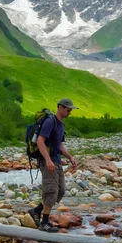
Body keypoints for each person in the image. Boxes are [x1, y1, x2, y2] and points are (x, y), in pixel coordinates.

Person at [28, 98, 78, 232]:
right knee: (51, 190)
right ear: (60, 107)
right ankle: (45, 222)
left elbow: (60, 144)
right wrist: (48, 160)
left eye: (70, 110)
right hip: (48, 161)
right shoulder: (50, 121)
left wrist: (70, 157)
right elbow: (40, 141)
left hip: (56, 160)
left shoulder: (61, 124)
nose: (70, 113)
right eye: (68, 110)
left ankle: (36, 210)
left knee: (60, 190)